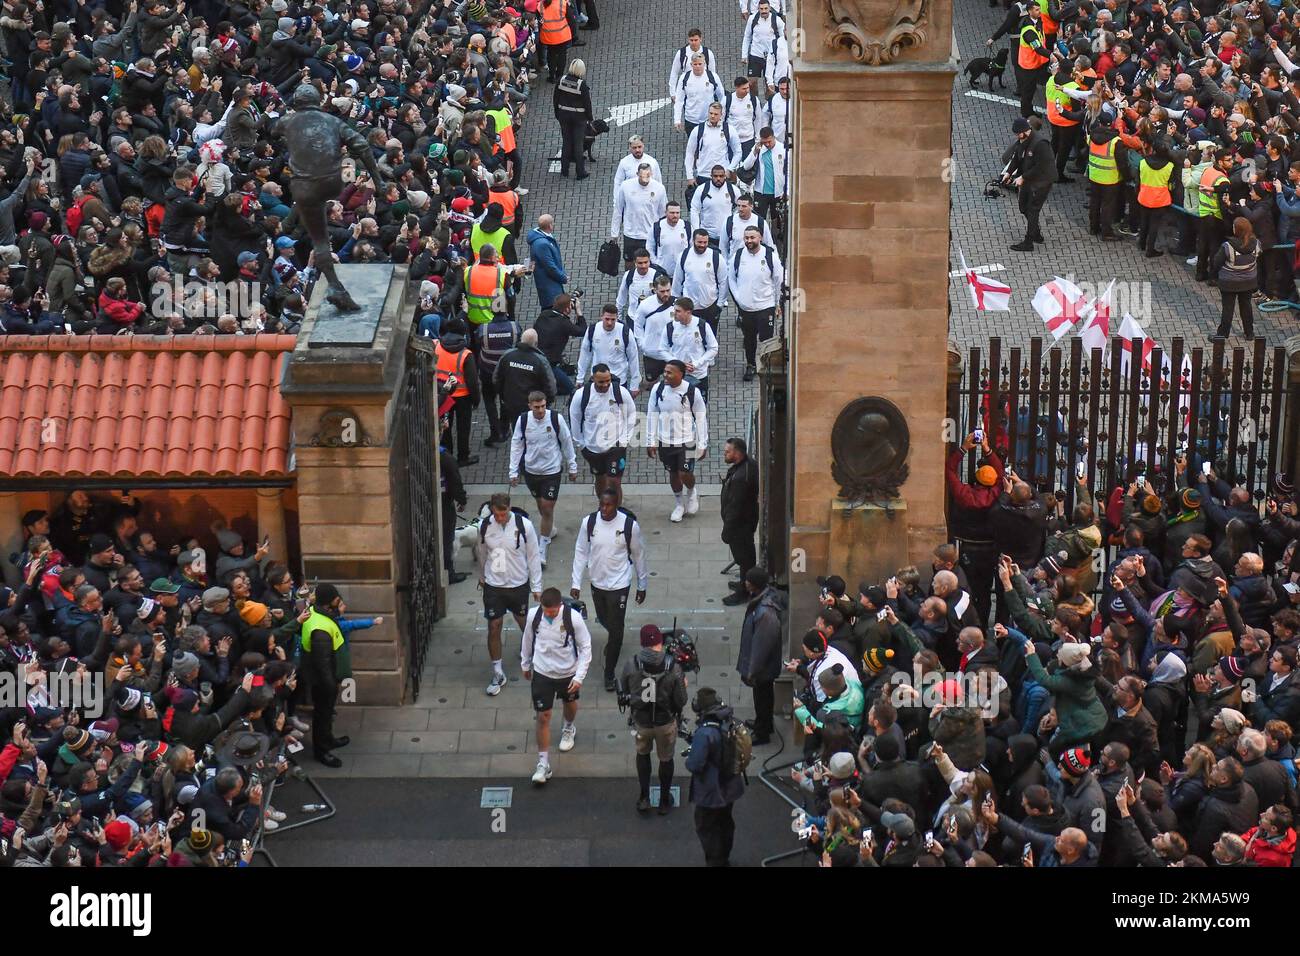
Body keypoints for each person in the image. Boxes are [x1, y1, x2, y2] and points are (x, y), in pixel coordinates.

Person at [572, 489, 649, 689]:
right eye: (602, 504)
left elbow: (639, 555)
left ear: (617, 504)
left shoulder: (629, 526)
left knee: (616, 629)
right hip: (597, 582)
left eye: (609, 505)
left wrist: (642, 585)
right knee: (603, 618)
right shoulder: (588, 523)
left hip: (620, 585)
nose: (604, 509)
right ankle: (614, 636)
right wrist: (575, 582)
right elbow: (581, 551)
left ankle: (609, 673)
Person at [521, 587, 593, 785]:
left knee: (569, 705)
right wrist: (525, 663)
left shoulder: (574, 618)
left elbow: (585, 647)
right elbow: (527, 640)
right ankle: (543, 764)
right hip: (542, 672)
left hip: (567, 673)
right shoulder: (534, 616)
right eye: (545, 610)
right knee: (543, 716)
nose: (548, 614)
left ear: (560, 605)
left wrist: (579, 677)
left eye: (552, 612)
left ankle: (569, 727)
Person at [476, 492, 544, 697]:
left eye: (504, 514)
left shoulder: (524, 526)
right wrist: (482, 576)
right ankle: (497, 671)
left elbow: (533, 556)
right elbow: (481, 553)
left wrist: (537, 586)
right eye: (497, 514)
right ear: (492, 510)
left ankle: (536, 655)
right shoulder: (485, 526)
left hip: (518, 584)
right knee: (494, 625)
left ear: (509, 509)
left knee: (524, 622)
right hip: (494, 585)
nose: (500, 518)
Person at [619, 624, 688, 814]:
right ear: (660, 642)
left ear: (642, 643)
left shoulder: (631, 664)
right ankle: (665, 800)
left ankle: (644, 797)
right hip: (665, 722)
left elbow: (624, 690)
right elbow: (681, 700)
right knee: (666, 759)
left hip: (641, 722)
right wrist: (683, 684)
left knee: (642, 754)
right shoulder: (673, 667)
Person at [508, 391, 579, 568]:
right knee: (541, 505)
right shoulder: (523, 421)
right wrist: (513, 471)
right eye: (536, 407)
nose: (540, 410)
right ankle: (550, 528)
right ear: (530, 406)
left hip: (552, 471)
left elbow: (567, 441)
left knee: (547, 507)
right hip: (531, 471)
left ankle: (542, 548)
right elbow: (517, 444)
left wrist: (572, 465)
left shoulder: (556, 419)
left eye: (543, 406)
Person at [686, 687, 746, 866]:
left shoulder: (705, 732)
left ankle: (715, 861)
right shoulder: (729, 721)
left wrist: (689, 759)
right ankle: (724, 856)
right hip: (731, 785)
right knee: (725, 822)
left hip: (712, 791)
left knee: (707, 827)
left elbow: (695, 764)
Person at [647, 359, 709, 523]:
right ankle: (679, 504)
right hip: (665, 441)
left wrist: (703, 443)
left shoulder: (691, 391)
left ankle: (691, 490)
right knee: (673, 474)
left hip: (687, 440)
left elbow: (701, 417)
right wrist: (650, 440)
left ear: (681, 374)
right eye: (665, 371)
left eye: (669, 372)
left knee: (685, 473)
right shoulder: (658, 389)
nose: (665, 375)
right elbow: (652, 414)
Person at [569, 364, 638, 501]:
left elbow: (632, 415)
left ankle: (616, 511)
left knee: (614, 482)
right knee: (600, 479)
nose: (606, 384)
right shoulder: (581, 395)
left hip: (615, 447)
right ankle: (604, 507)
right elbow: (574, 419)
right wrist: (581, 444)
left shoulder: (621, 392)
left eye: (608, 380)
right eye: (601, 382)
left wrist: (624, 440)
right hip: (593, 447)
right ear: (593, 378)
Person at [302, 583, 351, 768]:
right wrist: (330, 684)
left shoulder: (319, 615)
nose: (339, 600)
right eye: (336, 598)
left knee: (327, 713)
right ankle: (322, 751)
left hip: (328, 676)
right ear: (328, 602)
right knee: (322, 714)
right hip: (323, 681)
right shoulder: (320, 630)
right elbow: (322, 662)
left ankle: (328, 739)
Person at [736, 568, 784, 744]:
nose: (745, 582)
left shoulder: (766, 613)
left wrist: (752, 670)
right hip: (763, 666)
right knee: (762, 696)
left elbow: (762, 645)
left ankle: (763, 732)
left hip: (763, 667)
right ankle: (763, 723)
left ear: (754, 584)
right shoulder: (761, 602)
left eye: (748, 580)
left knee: (763, 698)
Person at [730, 225, 783, 380]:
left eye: (752, 237)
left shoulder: (770, 256)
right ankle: (751, 365)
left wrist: (777, 303)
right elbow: (731, 279)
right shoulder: (738, 256)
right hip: (746, 308)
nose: (749, 241)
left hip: (765, 306)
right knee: (749, 339)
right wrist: (739, 298)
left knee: (766, 339)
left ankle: (765, 364)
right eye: (746, 238)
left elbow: (778, 279)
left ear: (760, 237)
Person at [434, 317, 481, 466]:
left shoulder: (436, 346)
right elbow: (472, 382)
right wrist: (476, 399)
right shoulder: (466, 354)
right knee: (463, 428)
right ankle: (463, 457)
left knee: (446, 426)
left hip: (444, 394)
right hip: (462, 397)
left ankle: (447, 455)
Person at [721, 437, 760, 605]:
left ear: (737, 453)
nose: (725, 453)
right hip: (745, 523)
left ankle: (744, 592)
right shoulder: (748, 466)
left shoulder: (740, 479)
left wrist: (726, 531)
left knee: (744, 559)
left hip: (740, 527)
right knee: (745, 558)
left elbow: (735, 508)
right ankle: (743, 584)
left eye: (728, 451)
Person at [1010, 116, 1055, 252]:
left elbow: (1041, 166)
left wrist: (1023, 177)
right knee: (1023, 207)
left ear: (1024, 131)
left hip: (1042, 181)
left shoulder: (1040, 144)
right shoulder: (1022, 140)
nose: (1017, 137)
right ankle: (1035, 233)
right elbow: (1017, 157)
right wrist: (1009, 172)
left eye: (1018, 134)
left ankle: (1029, 241)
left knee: (1032, 210)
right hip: (1030, 179)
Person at [496, 327, 559, 423]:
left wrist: (503, 396)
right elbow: (550, 385)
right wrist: (547, 402)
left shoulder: (507, 355)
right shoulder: (540, 360)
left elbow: (496, 378)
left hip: (512, 403)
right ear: (536, 343)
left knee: (516, 427)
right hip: (534, 406)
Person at [1211, 216, 1261, 339]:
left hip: (1229, 283)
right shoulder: (1256, 244)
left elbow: (1216, 263)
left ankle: (1222, 335)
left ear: (1236, 230)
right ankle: (1249, 333)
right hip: (1248, 282)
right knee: (1246, 306)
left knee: (1228, 309)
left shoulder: (1227, 246)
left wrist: (1214, 276)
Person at [610, 163, 667, 266]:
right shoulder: (626, 186)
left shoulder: (659, 188)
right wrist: (615, 233)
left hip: (650, 234)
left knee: (649, 264)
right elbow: (618, 209)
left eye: (647, 176)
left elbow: (663, 213)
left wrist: (662, 234)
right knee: (629, 263)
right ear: (637, 174)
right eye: (642, 176)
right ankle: (629, 281)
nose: (645, 179)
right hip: (630, 233)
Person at [577, 303, 641, 390]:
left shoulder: (625, 332)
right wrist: (580, 378)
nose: (609, 323)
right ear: (601, 316)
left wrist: (635, 385)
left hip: (619, 381)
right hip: (597, 380)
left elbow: (633, 358)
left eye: (613, 319)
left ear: (617, 318)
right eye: (607, 319)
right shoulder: (592, 330)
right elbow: (585, 354)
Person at [554, 59, 593, 180]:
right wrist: (590, 118)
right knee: (578, 144)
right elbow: (587, 104)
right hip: (578, 118)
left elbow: (555, 98)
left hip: (563, 116)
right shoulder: (582, 85)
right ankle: (580, 171)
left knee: (566, 141)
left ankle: (564, 169)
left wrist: (557, 113)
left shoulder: (561, 80)